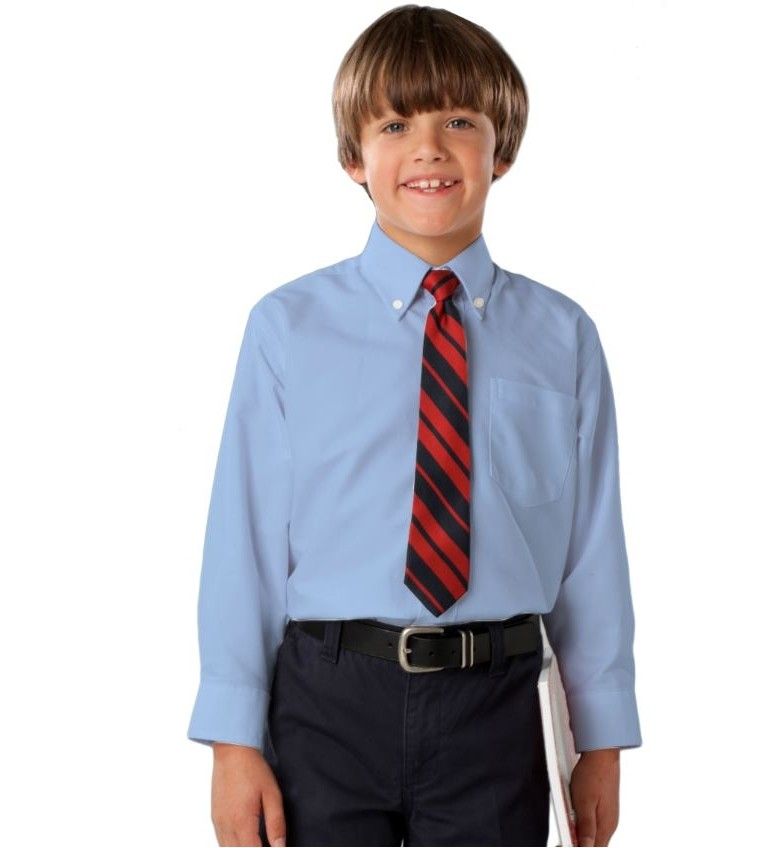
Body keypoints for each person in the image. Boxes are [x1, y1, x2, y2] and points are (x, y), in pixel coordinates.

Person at [187, 5, 642, 846]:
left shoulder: (562, 336)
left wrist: (601, 737)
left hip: (494, 708)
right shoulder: (287, 328)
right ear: (353, 156)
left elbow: (590, 551)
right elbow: (242, 542)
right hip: (326, 704)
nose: (429, 147)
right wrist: (232, 739)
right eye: (395, 123)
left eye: (458, 121)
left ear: (501, 149)